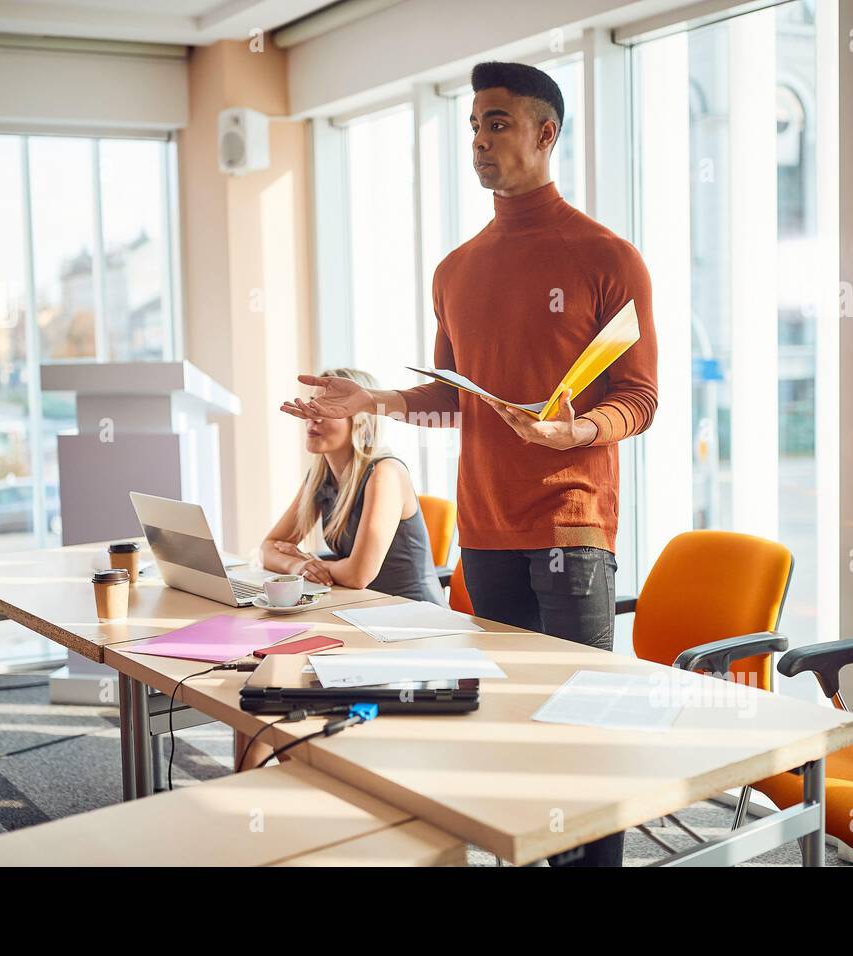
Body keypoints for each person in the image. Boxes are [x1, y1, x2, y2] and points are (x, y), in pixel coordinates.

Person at [281, 62, 658, 867]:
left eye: (497, 123)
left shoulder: (608, 257)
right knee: (509, 731)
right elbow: (451, 400)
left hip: (572, 525)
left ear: (544, 134)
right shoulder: (455, 269)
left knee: (583, 732)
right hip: (485, 533)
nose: (480, 140)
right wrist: (371, 400)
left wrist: (578, 432)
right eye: (474, 126)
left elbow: (641, 397)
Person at [260, 367, 446, 606]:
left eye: (327, 408)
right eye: (312, 405)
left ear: (361, 420)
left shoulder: (385, 473)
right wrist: (299, 565)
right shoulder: (319, 476)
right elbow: (267, 548)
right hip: (363, 606)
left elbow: (359, 575)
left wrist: (315, 565)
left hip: (413, 615)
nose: (312, 417)